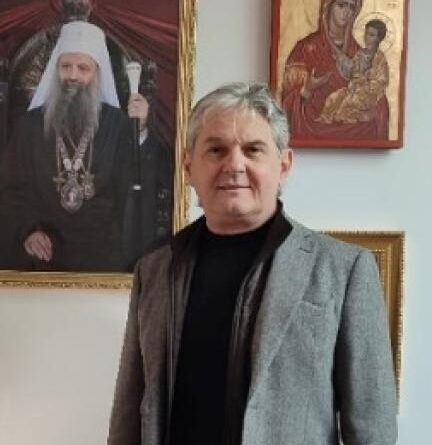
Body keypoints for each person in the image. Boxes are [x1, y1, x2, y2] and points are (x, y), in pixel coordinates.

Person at [108, 82, 397, 445]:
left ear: (284, 165)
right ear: (188, 165)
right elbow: (129, 410)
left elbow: (372, 428)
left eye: (253, 150)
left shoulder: (345, 270)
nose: (234, 165)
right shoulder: (154, 269)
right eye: (216, 150)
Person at [0, 20, 171, 272]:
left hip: (104, 248)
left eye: (83, 68)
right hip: (45, 246)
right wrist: (28, 231)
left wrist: (140, 129)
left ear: (97, 74)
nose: (73, 76)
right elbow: (11, 190)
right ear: (56, 70)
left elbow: (138, 183)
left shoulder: (117, 124)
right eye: (66, 66)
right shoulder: (31, 126)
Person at [281, 0, 389, 140]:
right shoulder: (305, 49)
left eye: (351, 7)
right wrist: (306, 89)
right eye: (341, 5)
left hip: (353, 132)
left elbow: (378, 96)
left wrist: (372, 111)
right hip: (311, 128)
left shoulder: (361, 53)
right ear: (328, 7)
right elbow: (286, 103)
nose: (347, 12)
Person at [318, 18, 390, 124]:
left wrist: (364, 80)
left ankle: (351, 117)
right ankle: (325, 119)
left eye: (371, 35)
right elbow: (352, 71)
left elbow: (381, 81)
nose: (366, 37)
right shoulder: (360, 54)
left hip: (368, 94)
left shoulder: (380, 59)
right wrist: (342, 60)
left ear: (379, 38)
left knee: (347, 103)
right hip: (354, 89)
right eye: (366, 33)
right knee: (333, 97)